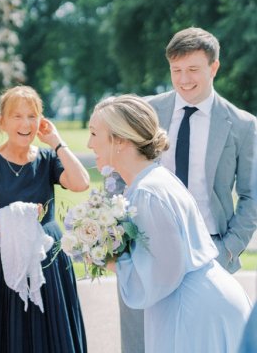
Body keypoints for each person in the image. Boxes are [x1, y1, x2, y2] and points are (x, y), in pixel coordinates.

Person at [116, 27, 257, 353]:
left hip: (208, 255)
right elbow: (116, 171)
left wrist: (229, 251)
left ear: (214, 67)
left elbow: (252, 196)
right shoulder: (145, 113)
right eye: (176, 70)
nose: (184, 79)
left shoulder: (242, 125)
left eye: (193, 69)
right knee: (141, 343)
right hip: (145, 249)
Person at [88, 94, 251, 353]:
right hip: (197, 303)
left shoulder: (147, 192)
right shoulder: (152, 180)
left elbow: (163, 274)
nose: (89, 144)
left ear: (119, 140)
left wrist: (108, 260)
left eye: (95, 134)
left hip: (193, 311)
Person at [0, 85, 90, 352]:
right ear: (2, 122)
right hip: (2, 260)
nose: (25, 123)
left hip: (48, 260)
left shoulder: (48, 158)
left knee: (51, 334)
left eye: (32, 115)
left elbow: (81, 182)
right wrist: (10, 217)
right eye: (17, 116)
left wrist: (57, 142)